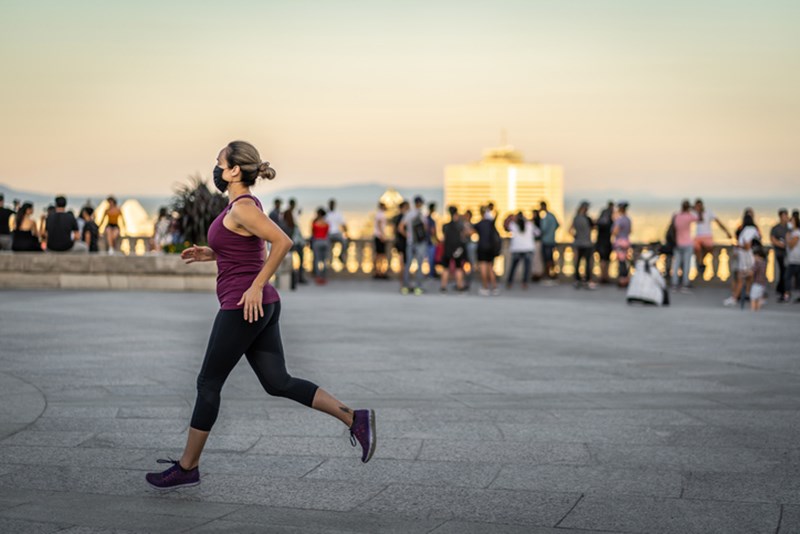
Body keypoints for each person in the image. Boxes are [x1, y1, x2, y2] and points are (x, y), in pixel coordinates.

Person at [146, 140, 375, 491]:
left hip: (244, 306)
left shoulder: (242, 208)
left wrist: (255, 285)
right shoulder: (242, 206)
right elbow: (248, 247)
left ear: (235, 169)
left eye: (220, 162)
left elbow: (283, 242)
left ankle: (187, 466)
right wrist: (212, 253)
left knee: (208, 384)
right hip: (262, 306)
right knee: (277, 382)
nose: (217, 167)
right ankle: (353, 417)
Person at [724, 212, 760, 306]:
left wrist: (737, 246)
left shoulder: (747, 230)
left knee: (741, 277)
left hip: (746, 257)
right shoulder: (753, 229)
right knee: (749, 277)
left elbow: (747, 246)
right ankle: (748, 294)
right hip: (749, 257)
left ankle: (735, 297)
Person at [693, 199, 732, 279]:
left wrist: (727, 232)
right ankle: (701, 264)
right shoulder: (694, 213)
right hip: (698, 237)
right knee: (696, 248)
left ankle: (701, 264)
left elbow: (718, 222)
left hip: (707, 236)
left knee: (708, 248)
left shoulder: (708, 212)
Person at [398, 195, 428, 295]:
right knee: (419, 265)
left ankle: (405, 287)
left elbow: (400, 227)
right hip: (420, 243)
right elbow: (426, 228)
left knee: (408, 265)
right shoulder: (422, 215)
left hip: (410, 242)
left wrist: (408, 236)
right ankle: (418, 287)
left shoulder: (409, 214)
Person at [504, 211, 538, 289]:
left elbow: (505, 227)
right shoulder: (530, 224)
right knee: (526, 268)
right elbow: (538, 233)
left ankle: (509, 282)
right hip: (528, 248)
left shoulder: (513, 225)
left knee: (513, 266)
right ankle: (524, 283)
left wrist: (509, 218)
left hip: (516, 248)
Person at [671, 200, 698, 292]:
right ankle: (685, 284)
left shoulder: (676, 216)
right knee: (686, 265)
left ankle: (674, 283)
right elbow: (699, 218)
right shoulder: (689, 216)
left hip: (677, 243)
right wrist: (693, 209)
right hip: (687, 243)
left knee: (676, 264)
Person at [439, 206, 466, 293]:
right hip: (457, 249)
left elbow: (443, 237)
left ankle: (443, 286)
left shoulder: (445, 226)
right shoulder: (460, 225)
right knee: (458, 267)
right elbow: (463, 235)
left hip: (447, 249)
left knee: (445, 268)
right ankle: (460, 286)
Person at [475, 206, 500, 296]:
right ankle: (494, 287)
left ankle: (485, 287)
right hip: (491, 248)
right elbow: (497, 215)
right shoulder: (491, 223)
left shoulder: (479, 224)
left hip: (482, 247)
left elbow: (471, 232)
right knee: (490, 268)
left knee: (483, 268)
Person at [570, 201, 595, 289]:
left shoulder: (575, 218)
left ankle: (577, 279)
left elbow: (570, 230)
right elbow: (594, 227)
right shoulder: (587, 219)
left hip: (578, 242)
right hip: (587, 243)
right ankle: (587, 280)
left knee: (578, 262)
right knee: (588, 263)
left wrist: (576, 236)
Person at [283, 198, 308, 285]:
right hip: (294, 241)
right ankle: (298, 277)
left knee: (295, 259)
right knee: (297, 259)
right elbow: (292, 226)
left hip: (294, 240)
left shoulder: (291, 213)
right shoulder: (288, 213)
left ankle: (298, 277)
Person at [770, 209, 790, 302]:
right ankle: (782, 290)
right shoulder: (776, 228)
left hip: (789, 254)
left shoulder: (789, 228)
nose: (786, 217)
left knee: (786, 272)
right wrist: (782, 245)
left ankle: (782, 289)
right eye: (784, 215)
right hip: (780, 254)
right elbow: (773, 239)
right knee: (783, 271)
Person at [612, 201, 632, 287]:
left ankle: (622, 279)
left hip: (620, 242)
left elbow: (615, 231)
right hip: (626, 241)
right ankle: (626, 278)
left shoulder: (619, 220)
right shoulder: (628, 219)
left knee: (621, 262)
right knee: (625, 261)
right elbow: (630, 231)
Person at [538, 201, 560, 281]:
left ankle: (549, 275)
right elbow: (558, 225)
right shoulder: (552, 215)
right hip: (552, 240)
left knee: (547, 259)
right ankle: (552, 274)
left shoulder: (546, 217)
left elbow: (543, 229)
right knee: (550, 258)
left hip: (546, 240)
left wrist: (545, 233)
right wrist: (552, 232)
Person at [594, 201, 614, 284]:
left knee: (602, 260)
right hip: (606, 242)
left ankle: (602, 276)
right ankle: (605, 276)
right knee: (606, 260)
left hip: (600, 242)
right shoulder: (610, 220)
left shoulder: (600, 222)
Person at [310, 208, 330, 285]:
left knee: (317, 260)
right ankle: (324, 277)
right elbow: (327, 233)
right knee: (324, 261)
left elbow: (313, 233)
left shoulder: (315, 223)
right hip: (325, 242)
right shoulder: (326, 223)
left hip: (317, 241)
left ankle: (318, 277)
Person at [325, 199, 348, 263]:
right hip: (328, 234)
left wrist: (346, 233)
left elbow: (343, 224)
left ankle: (341, 255)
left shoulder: (338, 214)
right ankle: (329, 261)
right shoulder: (326, 214)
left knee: (344, 241)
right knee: (328, 249)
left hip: (337, 233)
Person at [785, 210, 800, 303]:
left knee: (788, 278)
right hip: (792, 259)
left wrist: (787, 237)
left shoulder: (797, 233)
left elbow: (791, 245)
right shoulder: (793, 233)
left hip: (796, 259)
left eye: (792, 222)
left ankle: (788, 295)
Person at [372, 202, 389, 279]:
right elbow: (379, 225)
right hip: (379, 236)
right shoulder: (380, 214)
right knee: (380, 255)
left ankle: (378, 272)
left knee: (379, 255)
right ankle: (379, 272)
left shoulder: (379, 214)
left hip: (378, 236)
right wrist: (382, 235)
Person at [392, 201, 409, 272]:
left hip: (398, 240)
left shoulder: (396, 217)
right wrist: (408, 236)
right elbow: (400, 229)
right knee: (404, 261)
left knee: (401, 260)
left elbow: (394, 230)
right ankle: (403, 278)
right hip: (403, 241)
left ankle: (402, 278)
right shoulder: (404, 217)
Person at [750, 245, 768, 311]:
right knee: (759, 297)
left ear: (757, 255)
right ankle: (758, 310)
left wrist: (745, 273)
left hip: (757, 282)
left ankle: (753, 310)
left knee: (753, 297)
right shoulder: (764, 263)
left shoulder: (757, 263)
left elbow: (752, 272)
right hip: (763, 283)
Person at [426, 202, 439, 278]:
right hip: (430, 241)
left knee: (429, 259)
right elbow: (433, 231)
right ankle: (431, 274)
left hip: (426, 241)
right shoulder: (431, 220)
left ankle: (432, 272)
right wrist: (436, 239)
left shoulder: (426, 218)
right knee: (431, 259)